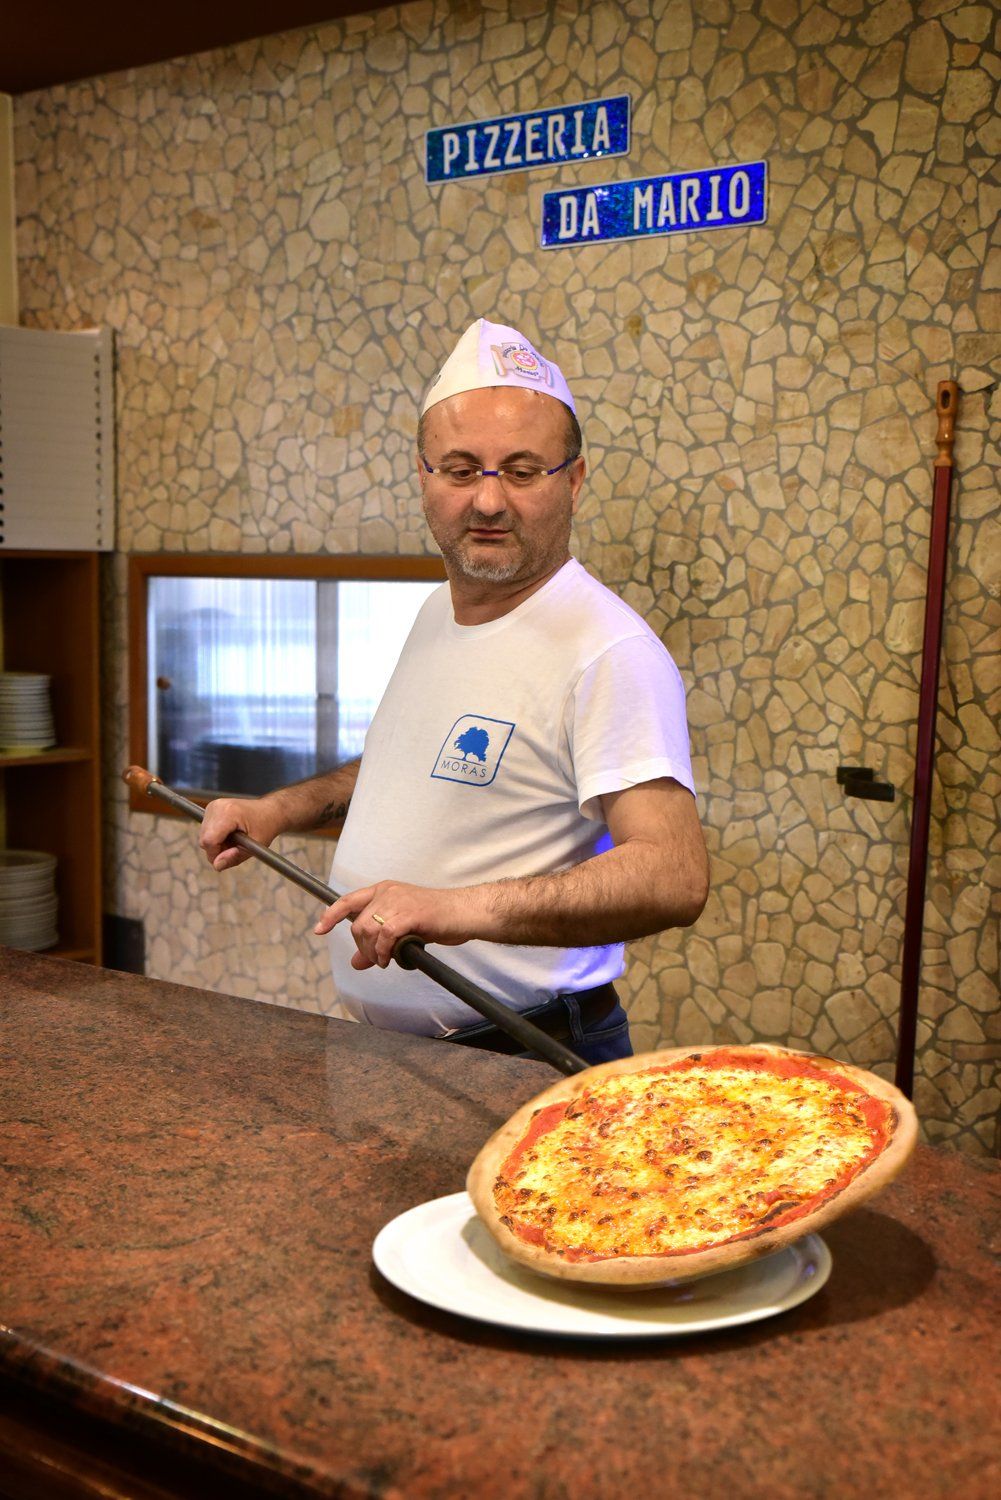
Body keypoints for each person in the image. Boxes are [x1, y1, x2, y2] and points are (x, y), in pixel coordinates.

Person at [200, 318, 709, 1065]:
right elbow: (407, 772)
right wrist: (277, 809)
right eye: (462, 469)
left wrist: (453, 910)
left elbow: (672, 873)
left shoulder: (608, 650)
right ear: (423, 477)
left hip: (522, 1051)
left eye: (523, 469)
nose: (489, 501)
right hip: (390, 1054)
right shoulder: (438, 611)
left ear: (573, 479)